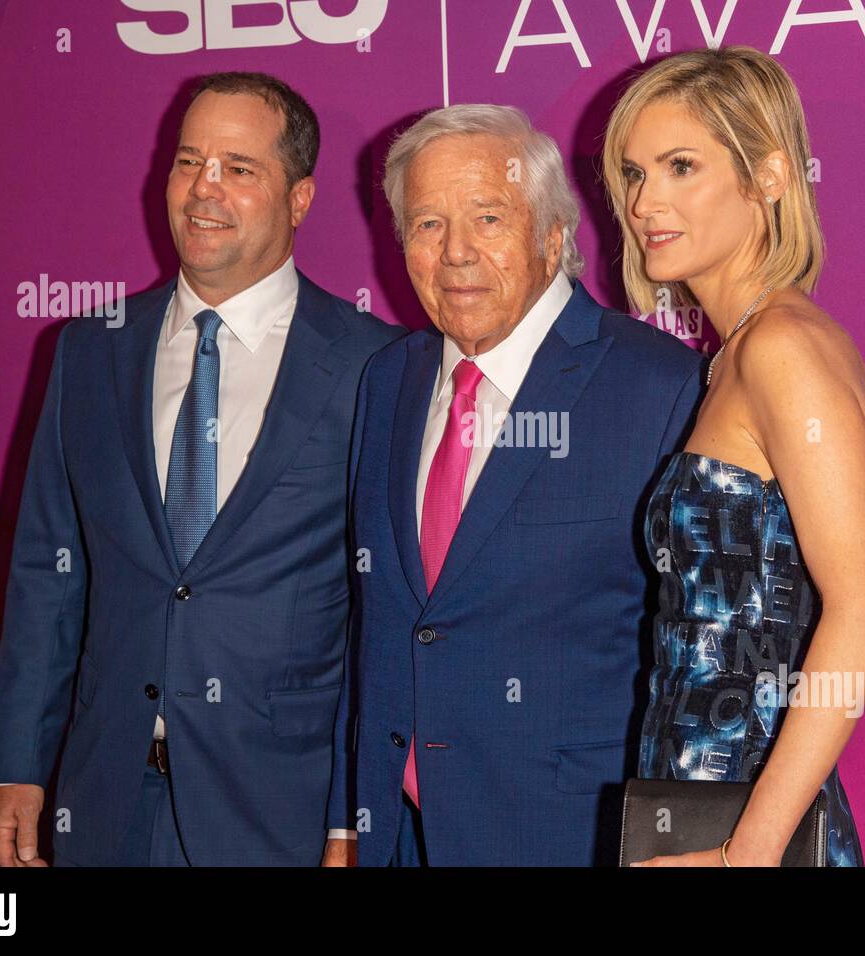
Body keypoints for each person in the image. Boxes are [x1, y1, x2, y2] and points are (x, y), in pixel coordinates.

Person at [0, 72, 401, 866]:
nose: (204, 189)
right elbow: (47, 575)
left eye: (239, 168)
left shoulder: (373, 366)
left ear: (300, 199)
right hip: (102, 801)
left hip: (282, 813)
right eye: (188, 161)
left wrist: (352, 816)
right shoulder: (89, 350)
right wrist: (16, 766)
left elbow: (381, 620)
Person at [321, 104, 702, 867]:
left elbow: (700, 656)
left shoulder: (660, 388)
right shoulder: (388, 380)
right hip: (394, 839)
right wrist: (345, 824)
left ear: (553, 235)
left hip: (566, 839)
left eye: (488, 217)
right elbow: (380, 628)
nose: (455, 252)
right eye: (427, 224)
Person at [601, 46, 865, 866]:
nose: (643, 201)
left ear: (769, 176)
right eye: (633, 173)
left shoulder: (785, 350)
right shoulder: (737, 352)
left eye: (680, 167)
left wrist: (748, 853)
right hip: (697, 793)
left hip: (743, 816)